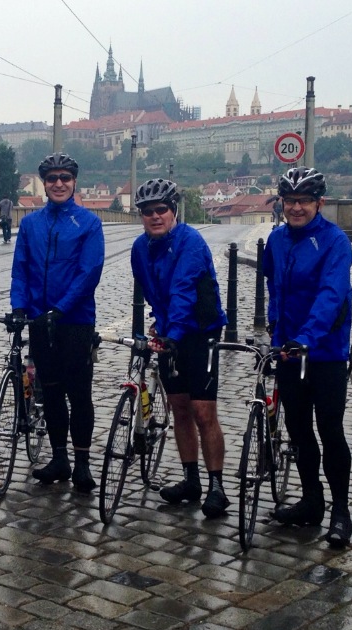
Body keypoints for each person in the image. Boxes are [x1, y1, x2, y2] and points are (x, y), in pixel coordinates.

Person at [263, 167, 352, 548]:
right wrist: (275, 327)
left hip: (326, 351)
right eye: (290, 201)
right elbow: (274, 286)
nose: (296, 207)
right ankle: (311, 501)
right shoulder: (277, 240)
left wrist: (306, 338)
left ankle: (341, 510)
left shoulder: (335, 242)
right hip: (289, 350)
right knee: (298, 430)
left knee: (329, 430)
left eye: (303, 201)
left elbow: (332, 296)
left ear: (320, 203)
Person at [130, 179, 230, 518]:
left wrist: (172, 332)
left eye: (162, 210)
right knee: (179, 409)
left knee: (203, 413)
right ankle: (191, 479)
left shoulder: (190, 241)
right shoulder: (139, 249)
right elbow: (151, 294)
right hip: (170, 332)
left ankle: (217, 485)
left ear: (174, 211)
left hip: (200, 332)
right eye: (148, 212)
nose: (155, 216)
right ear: (141, 215)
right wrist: (160, 330)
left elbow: (183, 293)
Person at [11, 153, 104, 492]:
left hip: (75, 320)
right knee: (49, 392)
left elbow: (88, 272)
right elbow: (21, 268)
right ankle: (59, 457)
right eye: (52, 179)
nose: (59, 184)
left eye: (65, 178)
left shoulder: (89, 223)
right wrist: (20, 307)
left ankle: (81, 463)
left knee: (79, 394)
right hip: (40, 320)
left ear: (74, 182)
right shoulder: (31, 223)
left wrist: (61, 309)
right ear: (44, 183)